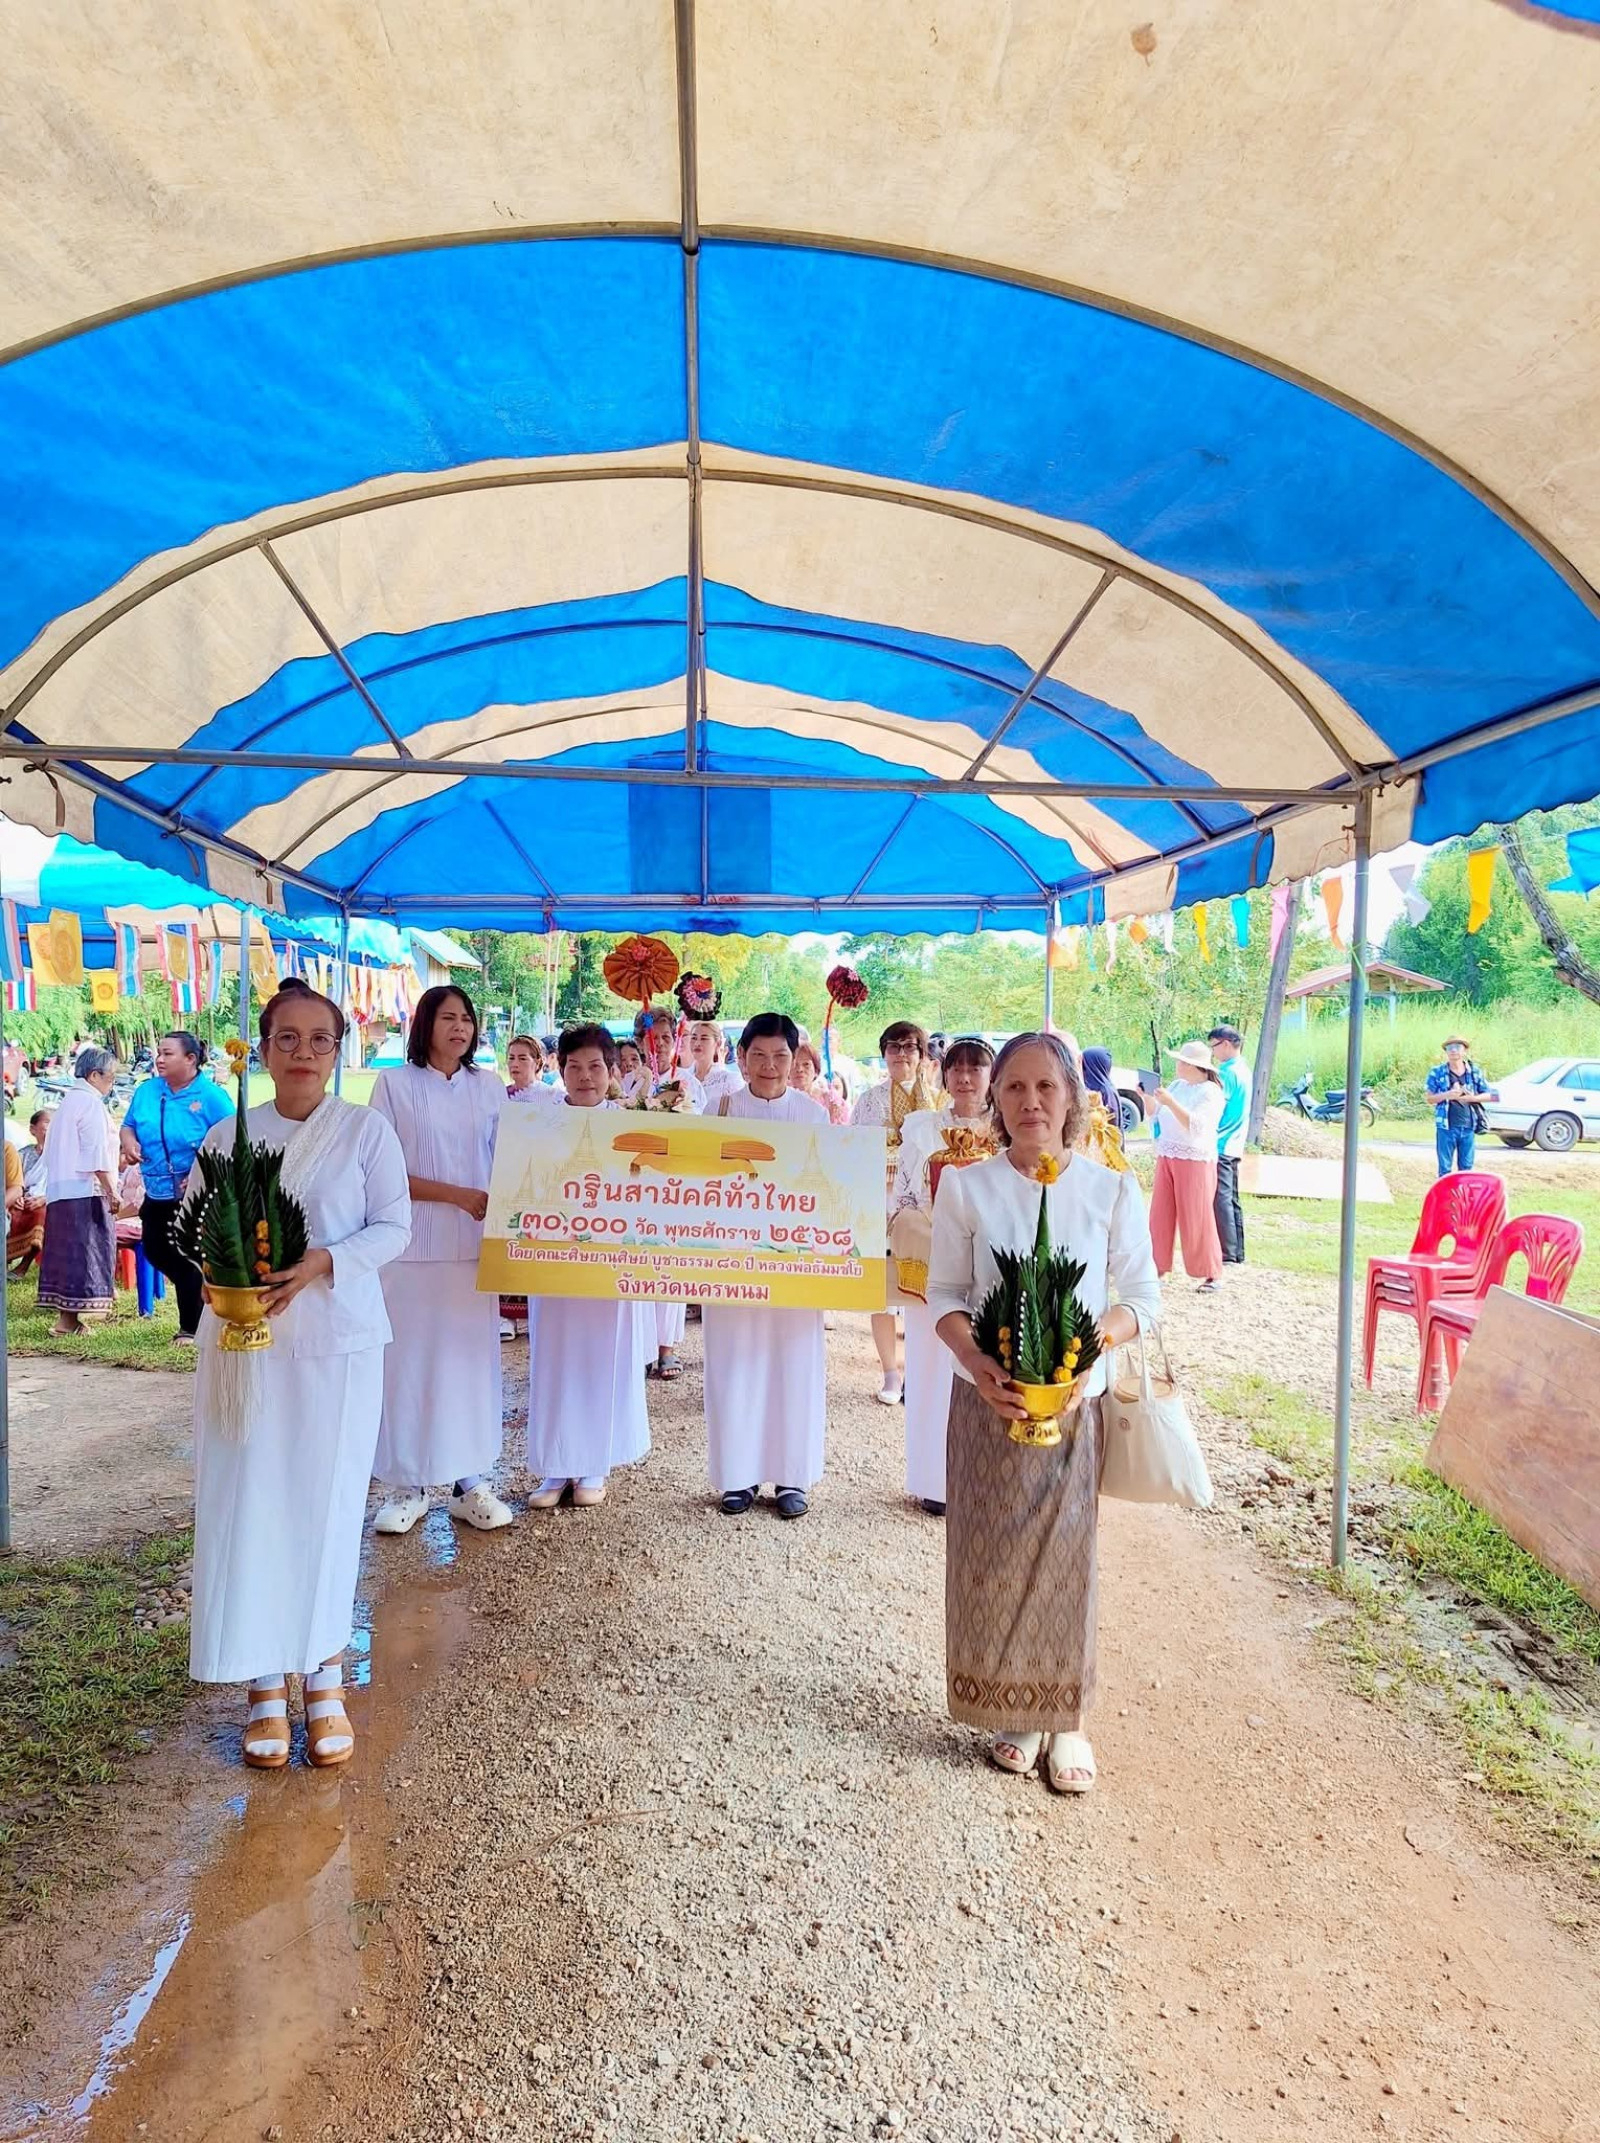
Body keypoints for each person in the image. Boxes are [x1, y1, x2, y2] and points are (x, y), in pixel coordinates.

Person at [187, 983, 411, 1769]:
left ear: (339, 1048)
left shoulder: (366, 1132)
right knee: (252, 1500)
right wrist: (235, 1277)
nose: (304, 1053)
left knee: (325, 1502)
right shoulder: (227, 1134)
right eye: (288, 1038)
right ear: (265, 1044)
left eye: (321, 1039)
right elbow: (197, 1229)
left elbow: (394, 1225)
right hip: (247, 1351)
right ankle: (262, 1685)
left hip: (339, 1344)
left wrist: (322, 1262)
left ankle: (323, 1677)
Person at [929, 1032, 1160, 1793]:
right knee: (993, 1562)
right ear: (993, 1097)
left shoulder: (1109, 1188)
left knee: (1066, 1564)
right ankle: (1014, 1710)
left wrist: (1094, 1344)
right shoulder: (967, 1187)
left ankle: (1067, 1720)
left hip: (1073, 1406)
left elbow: (1142, 1297)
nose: (1031, 1102)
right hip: (987, 1405)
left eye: (1046, 1088)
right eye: (1015, 1087)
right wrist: (979, 1363)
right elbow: (946, 1297)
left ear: (1071, 1099)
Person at [369, 984, 512, 1536]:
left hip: (475, 1252)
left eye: (467, 1019)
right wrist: (458, 1196)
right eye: (448, 1017)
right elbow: (382, 1171)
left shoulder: (491, 1086)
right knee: (408, 1366)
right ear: (424, 1025)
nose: (460, 1027)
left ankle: (469, 1481)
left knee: (468, 1364)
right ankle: (407, 1486)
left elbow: (517, 1160)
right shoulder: (394, 1085)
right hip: (410, 1249)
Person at [704, 1013, 829, 1519]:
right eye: (759, 1055)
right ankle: (738, 1477)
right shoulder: (720, 1109)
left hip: (795, 1262)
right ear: (741, 1058)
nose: (770, 1066)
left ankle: (792, 1478)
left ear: (796, 1059)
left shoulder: (813, 1115)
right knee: (735, 1362)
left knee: (793, 1363)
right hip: (732, 1261)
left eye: (781, 1056)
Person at [526, 1025, 652, 1509]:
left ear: (613, 1071)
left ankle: (594, 1464)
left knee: (604, 1357)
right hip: (554, 1260)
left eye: (595, 1066)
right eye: (574, 1067)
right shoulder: (538, 1122)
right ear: (559, 1070)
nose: (584, 1076)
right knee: (555, 1358)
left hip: (611, 1264)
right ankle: (555, 1467)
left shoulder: (632, 1123)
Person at [892, 1037, 998, 1516]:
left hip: (991, 1269)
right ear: (944, 1074)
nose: (966, 1077)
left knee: (984, 1368)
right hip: (931, 1268)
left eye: (977, 1068)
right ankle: (933, 1481)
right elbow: (904, 1194)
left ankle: (982, 1479)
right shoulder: (922, 1128)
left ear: (991, 1077)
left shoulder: (1005, 1131)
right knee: (932, 1367)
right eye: (957, 1068)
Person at [119, 1030, 235, 1343]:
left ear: (191, 1059)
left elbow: (233, 1138)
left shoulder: (211, 1097)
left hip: (197, 1194)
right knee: (157, 1249)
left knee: (190, 1255)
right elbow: (128, 1125)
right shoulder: (147, 1091)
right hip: (156, 1190)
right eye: (159, 1052)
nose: (159, 1058)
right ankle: (203, 1312)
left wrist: (204, 1167)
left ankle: (192, 1327)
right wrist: (129, 1143)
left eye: (168, 1053)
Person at [851, 1021, 939, 1403]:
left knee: (926, 1287)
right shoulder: (868, 1100)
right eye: (893, 1047)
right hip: (879, 1202)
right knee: (881, 1290)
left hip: (928, 1208)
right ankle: (890, 1371)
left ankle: (923, 1371)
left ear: (922, 1055)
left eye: (909, 1047)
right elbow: (851, 1148)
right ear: (883, 1053)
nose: (901, 1054)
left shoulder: (941, 1101)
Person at [37, 1045, 119, 1333]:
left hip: (61, 1189)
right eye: (110, 1078)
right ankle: (67, 1322)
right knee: (85, 1253)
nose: (112, 1085)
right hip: (85, 1190)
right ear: (95, 1075)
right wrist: (112, 1190)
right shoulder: (90, 1103)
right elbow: (95, 1153)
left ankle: (68, 1320)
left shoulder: (67, 1103)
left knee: (68, 1254)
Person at [1149, 1041, 1226, 1291]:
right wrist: (1146, 1097)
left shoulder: (1210, 1092)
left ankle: (1211, 1271)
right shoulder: (1176, 1086)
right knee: (1161, 1212)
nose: (1178, 1066)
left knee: (1197, 1215)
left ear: (1195, 1066)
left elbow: (1196, 1126)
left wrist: (1171, 1103)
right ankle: (1156, 1266)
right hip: (1168, 1152)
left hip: (1195, 1158)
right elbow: (1156, 1114)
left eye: (1182, 1062)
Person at [1206, 1025, 1251, 1265]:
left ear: (1225, 1043)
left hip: (1221, 1142)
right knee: (1231, 1198)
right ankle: (1236, 1251)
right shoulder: (1242, 1068)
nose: (1213, 1053)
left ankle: (1227, 1252)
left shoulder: (1226, 1073)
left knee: (1221, 1198)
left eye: (1213, 1047)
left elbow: (1215, 1105)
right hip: (1234, 1142)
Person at [1428, 1037, 1495, 1177]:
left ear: (1464, 1050)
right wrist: (1448, 1095)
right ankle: (1446, 1198)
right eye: (1449, 1047)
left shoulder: (1474, 1072)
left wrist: (1473, 1098)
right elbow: (1430, 1098)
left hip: (1468, 1126)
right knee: (1445, 1169)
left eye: (1457, 1047)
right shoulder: (1437, 1072)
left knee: (1466, 1169)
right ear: (1445, 1051)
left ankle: (1463, 1198)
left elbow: (1493, 1096)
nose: (1453, 1050)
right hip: (1446, 1127)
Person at [6, 1108, 50, 1271]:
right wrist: (17, 1197)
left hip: (47, 1200)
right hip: (23, 1199)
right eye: (46, 1122)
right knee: (9, 1212)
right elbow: (14, 1182)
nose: (50, 1127)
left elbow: (64, 1184)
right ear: (33, 1129)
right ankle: (5, 1260)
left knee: (41, 1214)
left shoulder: (60, 1155)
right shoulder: (22, 1154)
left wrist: (43, 1198)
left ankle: (23, 1267)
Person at [790, 1038, 849, 1124]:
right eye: (794, 1064)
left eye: (806, 1064)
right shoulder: (779, 1098)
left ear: (816, 1070)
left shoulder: (831, 1100)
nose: (799, 1069)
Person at [688, 1019, 739, 1109]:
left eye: (704, 1038)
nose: (697, 1043)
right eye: (694, 1038)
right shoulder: (682, 1076)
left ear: (717, 1044)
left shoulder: (728, 1081)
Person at [506, 1033, 546, 1100]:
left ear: (537, 1062)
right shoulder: (500, 1094)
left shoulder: (551, 1096)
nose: (515, 1064)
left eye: (522, 1059)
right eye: (511, 1058)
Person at [617, 1035, 650, 1103]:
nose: (629, 1064)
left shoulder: (651, 1086)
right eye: (622, 1059)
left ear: (643, 1062)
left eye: (634, 1059)